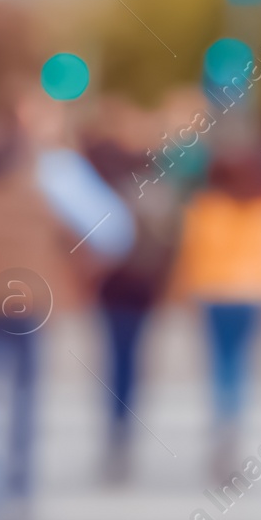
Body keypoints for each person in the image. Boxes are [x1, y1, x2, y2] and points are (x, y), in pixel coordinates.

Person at [0, 89, 131, 520]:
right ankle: (17, 496)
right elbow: (115, 229)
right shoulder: (53, 168)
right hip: (28, 300)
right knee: (24, 401)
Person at [82, 95, 192, 484]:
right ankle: (121, 433)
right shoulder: (156, 175)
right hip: (136, 284)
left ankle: (119, 434)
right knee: (128, 361)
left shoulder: (103, 173)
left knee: (119, 360)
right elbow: (173, 237)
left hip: (119, 284)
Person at [170, 136, 261, 482]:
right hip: (250, 294)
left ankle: (222, 428)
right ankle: (232, 429)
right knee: (239, 366)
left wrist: (182, 295)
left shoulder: (206, 208)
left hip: (214, 294)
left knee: (219, 365)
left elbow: (192, 255)